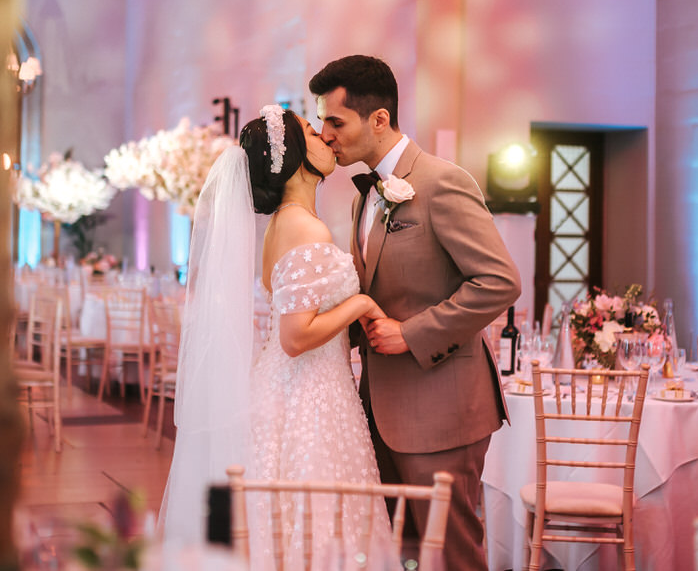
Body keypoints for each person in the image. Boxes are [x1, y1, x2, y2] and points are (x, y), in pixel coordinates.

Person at [310, 55, 522, 571]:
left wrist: (413, 332)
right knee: (398, 555)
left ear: (378, 119)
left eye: (336, 121)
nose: (326, 135)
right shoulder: (364, 198)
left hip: (442, 410)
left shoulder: (441, 182)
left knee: (448, 556)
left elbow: (500, 281)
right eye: (322, 123)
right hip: (377, 409)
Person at [159, 105, 391, 567]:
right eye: (312, 131)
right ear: (292, 159)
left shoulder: (282, 226)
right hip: (307, 394)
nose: (325, 137)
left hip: (290, 387)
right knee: (314, 521)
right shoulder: (304, 226)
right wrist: (361, 304)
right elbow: (295, 336)